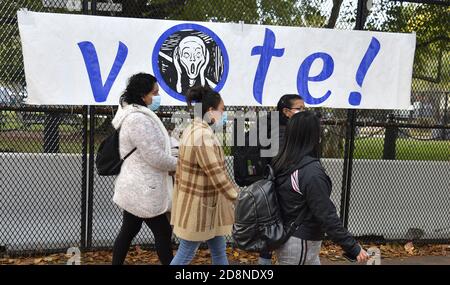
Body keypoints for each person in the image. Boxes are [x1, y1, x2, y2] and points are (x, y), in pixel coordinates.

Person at [272, 111, 369, 265]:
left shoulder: (284, 162)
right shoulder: (310, 172)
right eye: (318, 131)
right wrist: (353, 247)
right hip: (300, 243)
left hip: (293, 239)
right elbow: (325, 214)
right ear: (311, 135)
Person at [111, 73, 177, 265]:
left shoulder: (138, 115)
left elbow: (154, 148)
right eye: (154, 93)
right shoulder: (138, 119)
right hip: (143, 187)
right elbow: (154, 156)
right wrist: (179, 165)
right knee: (163, 232)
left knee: (128, 231)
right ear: (142, 95)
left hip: (138, 185)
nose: (156, 97)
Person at [170, 86, 239, 265]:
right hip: (200, 207)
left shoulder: (192, 129)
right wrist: (237, 196)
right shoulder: (203, 136)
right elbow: (217, 174)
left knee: (218, 251)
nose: (224, 114)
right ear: (210, 110)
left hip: (203, 204)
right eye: (222, 110)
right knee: (185, 253)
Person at [258, 94, 305, 265]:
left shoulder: (272, 127)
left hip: (270, 190)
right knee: (276, 238)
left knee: (269, 238)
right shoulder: (283, 132)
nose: (302, 112)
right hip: (282, 192)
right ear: (286, 111)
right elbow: (283, 163)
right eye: (299, 109)